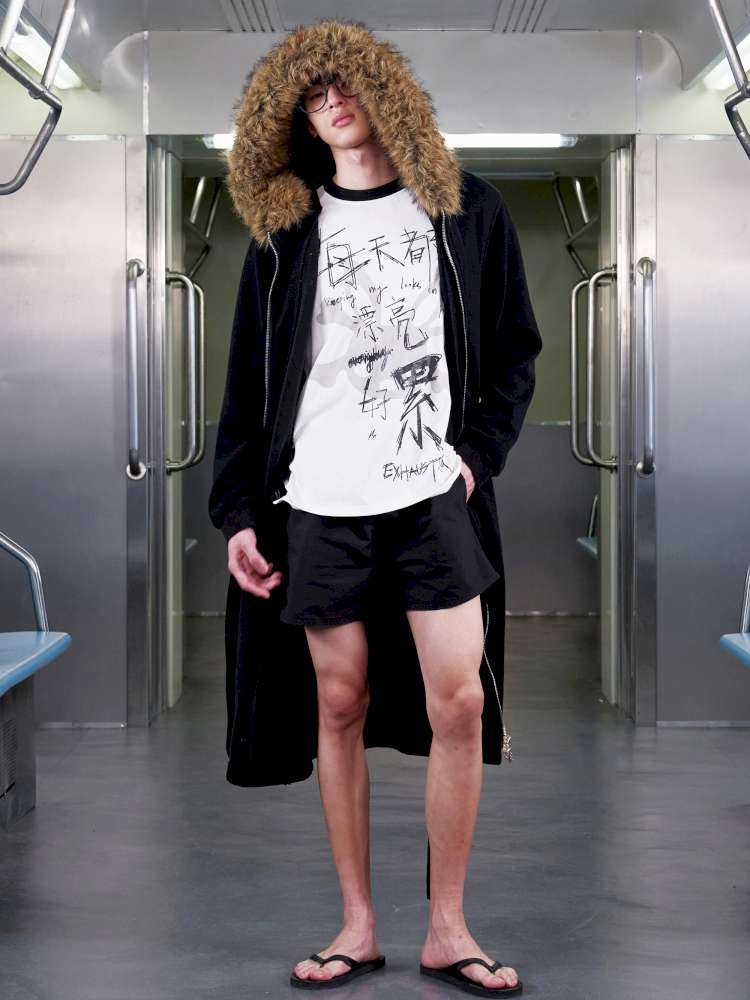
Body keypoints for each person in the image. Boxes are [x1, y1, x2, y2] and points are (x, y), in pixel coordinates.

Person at [209, 18, 542, 996]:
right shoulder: (286, 236)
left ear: (383, 92)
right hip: (320, 499)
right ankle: (357, 924)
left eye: (346, 84)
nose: (332, 102)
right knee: (339, 702)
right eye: (312, 96)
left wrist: (476, 457)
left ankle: (448, 927)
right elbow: (247, 384)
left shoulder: (465, 210)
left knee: (462, 701)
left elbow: (514, 350)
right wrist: (239, 512)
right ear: (297, 120)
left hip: (431, 495)